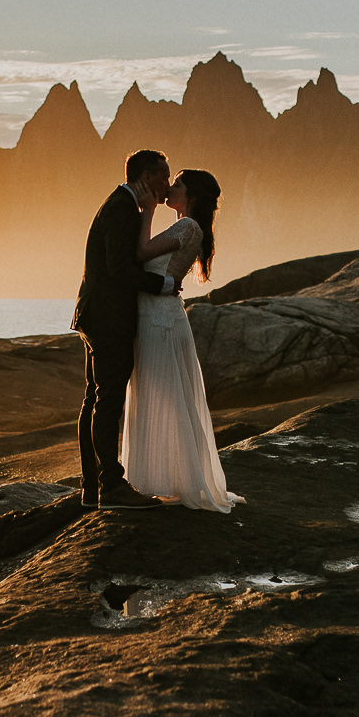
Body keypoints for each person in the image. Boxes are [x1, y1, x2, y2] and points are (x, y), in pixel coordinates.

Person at [121, 169, 237, 512]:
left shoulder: (188, 226)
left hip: (160, 321)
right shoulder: (187, 226)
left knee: (162, 394)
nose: (170, 187)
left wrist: (148, 210)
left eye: (178, 184)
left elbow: (141, 253)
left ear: (193, 196)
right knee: (164, 394)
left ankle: (166, 479)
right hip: (159, 316)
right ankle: (167, 477)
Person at [72, 149, 177, 509]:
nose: (168, 184)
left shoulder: (118, 204)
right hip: (108, 318)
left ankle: (91, 488)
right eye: (164, 177)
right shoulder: (122, 210)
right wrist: (161, 284)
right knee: (108, 399)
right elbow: (119, 269)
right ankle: (111, 487)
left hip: (95, 314)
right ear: (146, 177)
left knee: (95, 399)